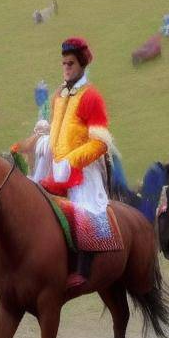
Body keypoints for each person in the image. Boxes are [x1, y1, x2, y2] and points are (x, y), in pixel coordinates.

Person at [39, 37, 112, 288]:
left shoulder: (92, 97)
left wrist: (73, 160)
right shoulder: (58, 95)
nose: (66, 68)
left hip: (82, 170)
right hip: (56, 164)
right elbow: (57, 131)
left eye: (70, 63)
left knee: (84, 209)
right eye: (63, 64)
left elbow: (101, 142)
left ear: (81, 65)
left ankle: (84, 267)